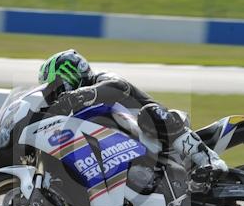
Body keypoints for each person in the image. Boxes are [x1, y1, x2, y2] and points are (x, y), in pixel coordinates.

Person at [38, 49, 228, 180]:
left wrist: (81, 94)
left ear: (72, 71)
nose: (56, 92)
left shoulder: (103, 79)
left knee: (150, 114)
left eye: (56, 83)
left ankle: (210, 160)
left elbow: (118, 87)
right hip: (133, 154)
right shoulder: (77, 112)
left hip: (157, 129)